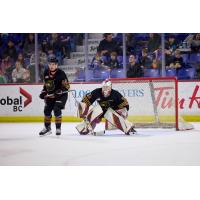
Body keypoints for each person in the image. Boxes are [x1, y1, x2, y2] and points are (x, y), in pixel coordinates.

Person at [39, 55, 70, 136]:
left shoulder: (61, 73)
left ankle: (58, 128)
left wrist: (61, 90)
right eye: (50, 64)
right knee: (47, 110)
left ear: (57, 65)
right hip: (51, 95)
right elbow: (46, 86)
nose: (51, 66)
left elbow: (67, 87)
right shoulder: (46, 72)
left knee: (56, 109)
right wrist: (43, 92)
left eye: (53, 64)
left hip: (61, 95)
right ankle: (47, 128)